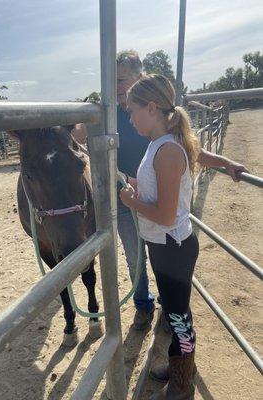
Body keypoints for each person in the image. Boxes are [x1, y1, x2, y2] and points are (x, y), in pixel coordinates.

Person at [71, 50, 248, 331]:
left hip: (151, 205)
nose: (116, 89)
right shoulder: (113, 113)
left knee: (167, 274)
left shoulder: (153, 120)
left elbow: (189, 148)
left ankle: (172, 315)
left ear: (140, 81)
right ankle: (146, 306)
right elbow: (76, 134)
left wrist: (223, 163)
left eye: (121, 80)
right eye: (111, 82)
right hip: (137, 200)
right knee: (135, 258)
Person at [120, 73, 200, 399]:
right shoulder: (158, 144)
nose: (129, 117)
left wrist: (131, 202)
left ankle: (182, 383)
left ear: (152, 107)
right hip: (166, 246)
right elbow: (161, 197)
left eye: (131, 110)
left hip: (172, 246)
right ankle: (181, 365)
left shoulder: (166, 150)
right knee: (176, 311)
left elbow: (166, 216)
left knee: (179, 316)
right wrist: (140, 191)